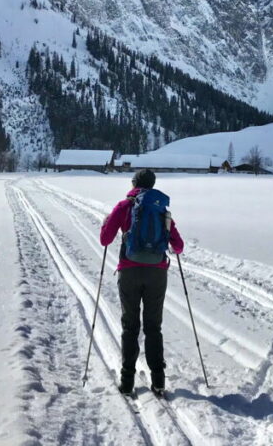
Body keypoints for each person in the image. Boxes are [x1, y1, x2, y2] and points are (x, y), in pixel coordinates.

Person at [100, 168, 184, 396]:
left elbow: (105, 239)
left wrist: (107, 222)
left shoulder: (124, 206)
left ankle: (127, 381)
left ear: (134, 184)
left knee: (130, 325)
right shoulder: (161, 210)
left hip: (129, 270)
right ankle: (158, 381)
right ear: (153, 184)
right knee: (153, 326)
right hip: (157, 273)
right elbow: (178, 246)